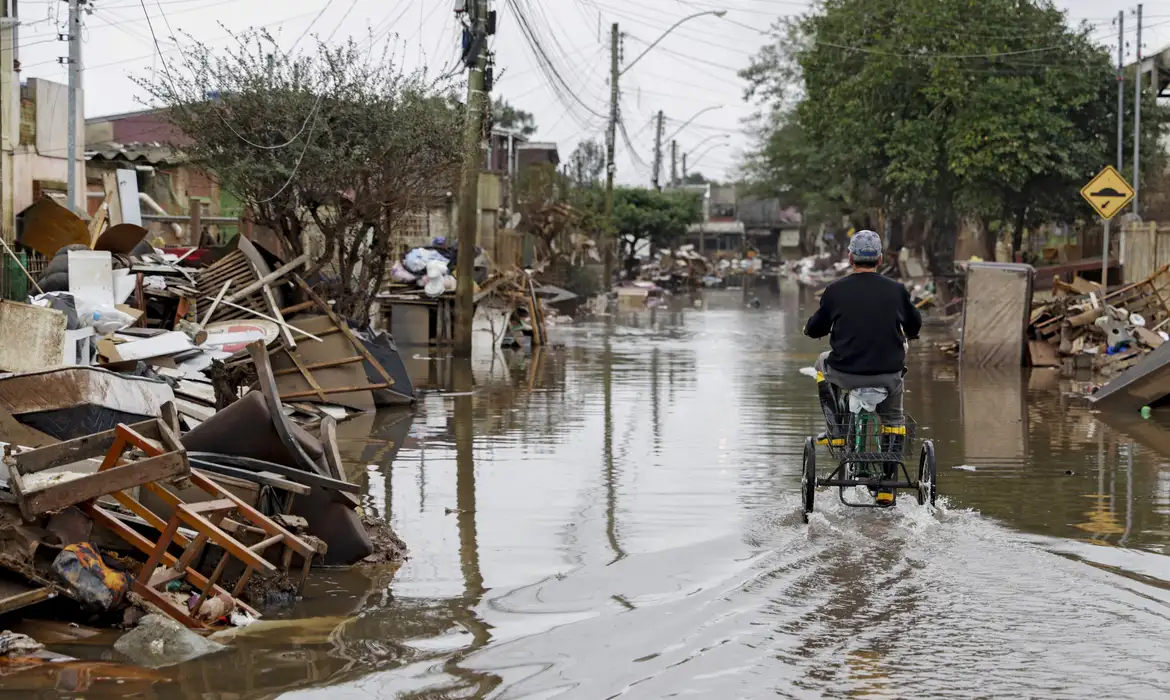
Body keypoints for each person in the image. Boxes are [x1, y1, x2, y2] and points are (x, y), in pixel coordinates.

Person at [804, 230, 922, 505]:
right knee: (894, 419)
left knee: (821, 361)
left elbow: (816, 327)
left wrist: (810, 328)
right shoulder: (897, 290)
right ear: (880, 259)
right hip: (887, 374)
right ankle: (886, 487)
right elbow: (914, 326)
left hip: (846, 373)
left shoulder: (835, 290)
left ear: (850, 257)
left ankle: (837, 432)